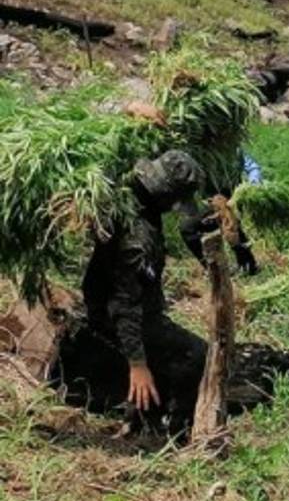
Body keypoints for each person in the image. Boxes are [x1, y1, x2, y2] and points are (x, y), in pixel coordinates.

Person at [60, 151, 210, 436]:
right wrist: (137, 363)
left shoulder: (131, 198)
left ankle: (141, 419)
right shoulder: (137, 239)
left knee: (167, 350)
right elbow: (125, 304)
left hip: (114, 306)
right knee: (197, 355)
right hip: (118, 317)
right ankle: (176, 430)